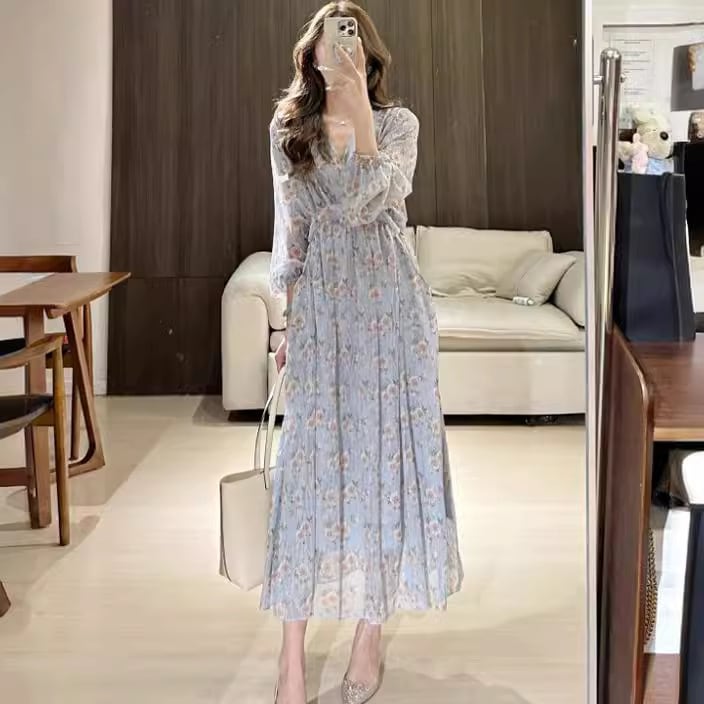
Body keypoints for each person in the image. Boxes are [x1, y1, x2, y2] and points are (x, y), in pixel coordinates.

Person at [261, 3, 463, 702]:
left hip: (391, 311)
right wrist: (290, 327)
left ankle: (369, 634)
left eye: (350, 38)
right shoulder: (289, 129)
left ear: (368, 55)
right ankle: (290, 660)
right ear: (311, 51)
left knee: (384, 467)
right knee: (304, 473)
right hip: (323, 307)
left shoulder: (399, 124)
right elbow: (293, 233)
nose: (339, 47)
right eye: (329, 36)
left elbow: (379, 199)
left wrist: (359, 116)